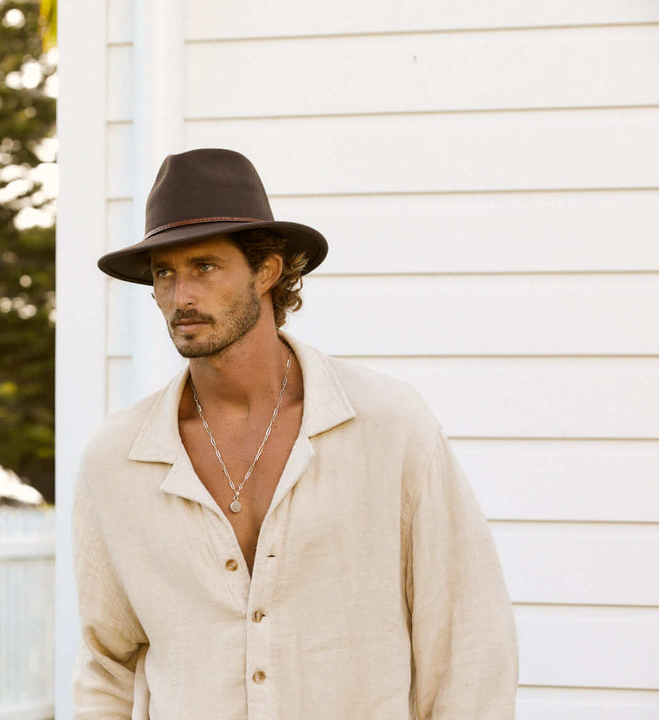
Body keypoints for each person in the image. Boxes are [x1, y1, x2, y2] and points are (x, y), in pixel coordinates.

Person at [71, 148, 518, 719]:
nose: (181, 296)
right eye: (164, 273)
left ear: (267, 271)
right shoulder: (116, 460)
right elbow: (106, 667)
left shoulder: (388, 425)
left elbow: (468, 641)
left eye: (204, 267)